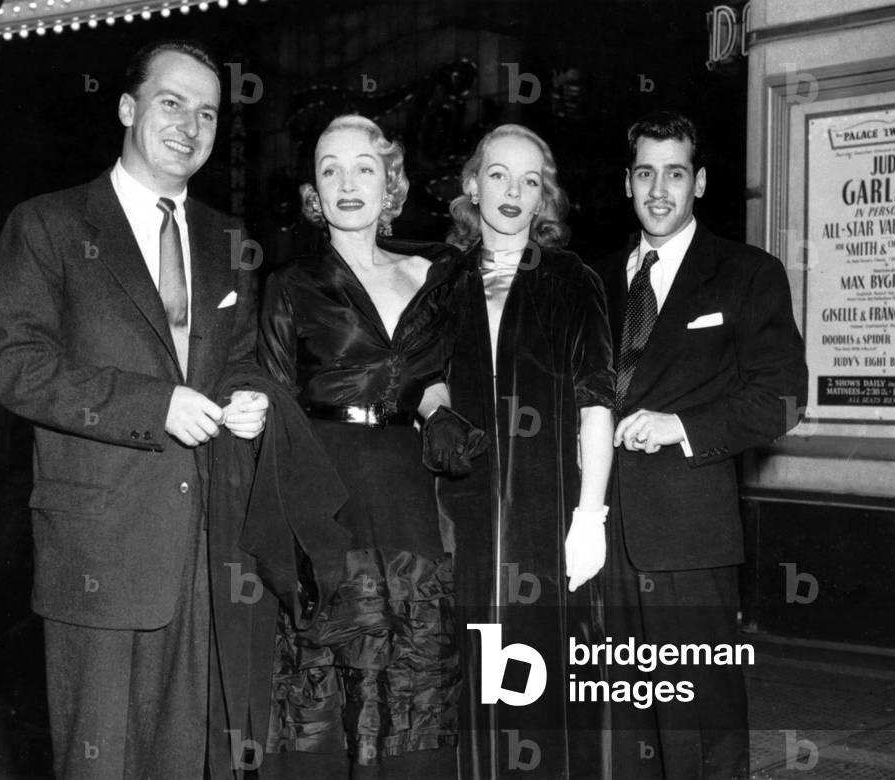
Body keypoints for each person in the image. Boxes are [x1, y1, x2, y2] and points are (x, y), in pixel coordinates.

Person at [0, 40, 268, 778]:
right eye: (172, 102)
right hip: (96, 551)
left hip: (204, 551)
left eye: (207, 112)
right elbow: (14, 366)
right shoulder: (47, 224)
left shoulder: (230, 241)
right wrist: (153, 404)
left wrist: (249, 399)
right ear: (128, 107)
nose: (191, 124)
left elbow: (236, 363)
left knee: (183, 763)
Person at [256, 114, 476, 778]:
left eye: (363, 167)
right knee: (329, 685)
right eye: (330, 169)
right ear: (314, 198)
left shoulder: (440, 275)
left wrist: (442, 412)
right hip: (329, 495)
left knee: (417, 676)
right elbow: (274, 408)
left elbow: (444, 377)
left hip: (412, 496)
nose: (347, 182)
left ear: (392, 185)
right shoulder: (290, 287)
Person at [598, 111, 808, 779]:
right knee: (620, 726)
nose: (659, 190)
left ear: (701, 182)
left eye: (676, 173)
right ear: (627, 182)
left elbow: (784, 398)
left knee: (699, 726)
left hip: (690, 540)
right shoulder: (592, 281)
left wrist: (681, 427)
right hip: (598, 540)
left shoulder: (748, 275)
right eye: (645, 173)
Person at [441, 124, 616, 778]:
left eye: (530, 180)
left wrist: (591, 517)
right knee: (463, 687)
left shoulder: (571, 278)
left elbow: (597, 399)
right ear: (471, 184)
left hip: (545, 520)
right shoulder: (440, 277)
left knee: (535, 688)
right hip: (459, 518)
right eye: (497, 175)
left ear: (546, 197)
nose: (514, 192)